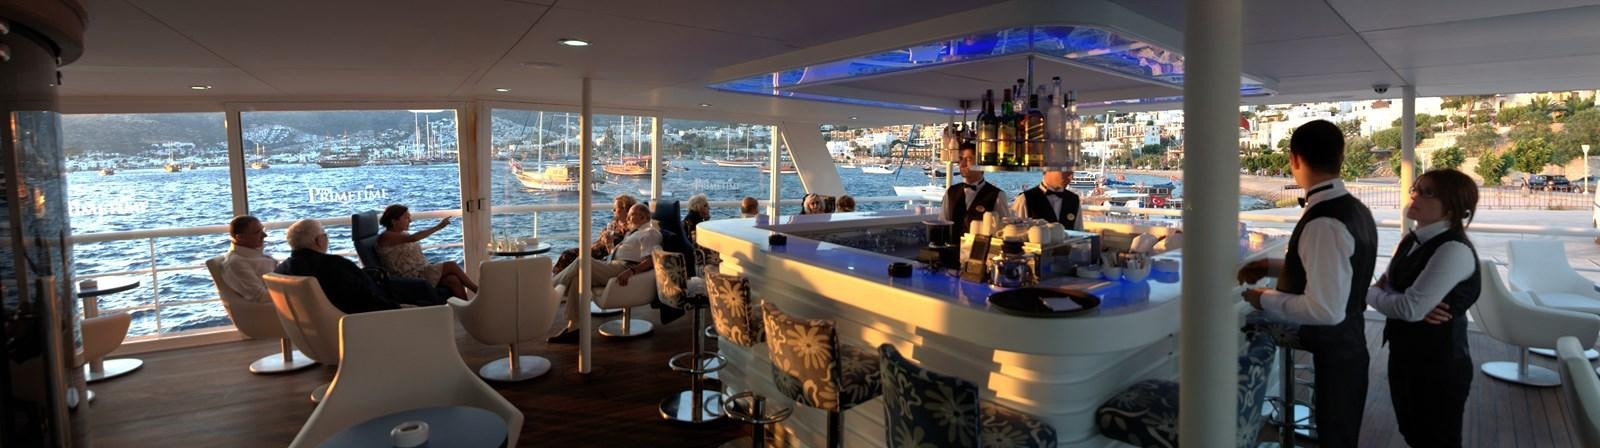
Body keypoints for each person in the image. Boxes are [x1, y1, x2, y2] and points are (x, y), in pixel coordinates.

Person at [1237, 119, 1377, 448]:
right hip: (1350, 338)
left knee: (1336, 435)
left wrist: (1263, 298)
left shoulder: (1324, 221)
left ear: (1295, 159)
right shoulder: (1354, 210)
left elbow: (1325, 309)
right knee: (1338, 430)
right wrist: (1270, 265)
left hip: (1335, 341)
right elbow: (1332, 268)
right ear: (1341, 158)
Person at [1368, 169, 1481, 448]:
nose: (1415, 195)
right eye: (1416, 189)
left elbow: (1408, 309)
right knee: (1412, 432)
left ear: (1453, 207)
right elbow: (1395, 294)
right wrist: (1398, 298)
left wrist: (1375, 293)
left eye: (1428, 192)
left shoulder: (1453, 250)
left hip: (1439, 366)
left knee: (1437, 439)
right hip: (1405, 355)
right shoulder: (1409, 240)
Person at [547, 203, 661, 343]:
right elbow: (618, 255)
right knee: (578, 278)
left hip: (624, 268)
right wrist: (610, 246)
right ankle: (574, 328)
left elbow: (650, 260)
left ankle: (547, 290)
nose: (628, 218)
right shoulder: (635, 233)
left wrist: (631, 272)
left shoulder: (650, 233)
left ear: (643, 216)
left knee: (582, 261)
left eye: (631, 215)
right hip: (614, 265)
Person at [275, 219, 398, 314]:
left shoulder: (281, 271)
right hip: (360, 325)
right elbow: (367, 299)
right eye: (325, 235)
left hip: (316, 332)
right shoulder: (335, 266)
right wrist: (399, 308)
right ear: (319, 241)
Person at [375, 204, 478, 300]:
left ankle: (467, 311)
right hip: (409, 278)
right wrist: (439, 227)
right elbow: (414, 237)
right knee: (451, 265)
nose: (410, 221)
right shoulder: (386, 236)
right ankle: (478, 291)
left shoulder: (403, 234)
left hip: (421, 271)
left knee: (453, 280)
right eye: (406, 218)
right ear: (394, 221)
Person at [940, 142, 1010, 244]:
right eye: (961, 159)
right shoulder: (951, 192)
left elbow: (1004, 232)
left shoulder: (997, 195)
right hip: (952, 253)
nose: (962, 164)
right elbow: (943, 223)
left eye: (968, 159)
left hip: (980, 255)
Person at [554, 194, 640, 273]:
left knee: (568, 256)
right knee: (567, 255)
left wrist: (608, 243)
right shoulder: (615, 223)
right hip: (594, 250)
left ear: (625, 210)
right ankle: (556, 281)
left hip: (602, 257)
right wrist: (603, 235)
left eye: (615, 208)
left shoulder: (630, 231)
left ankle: (556, 283)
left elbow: (617, 257)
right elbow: (603, 236)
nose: (612, 210)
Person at [218, 215, 277, 303]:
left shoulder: (255, 253)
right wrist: (296, 292)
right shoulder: (236, 263)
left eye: (263, 230)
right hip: (273, 310)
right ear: (240, 237)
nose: (265, 235)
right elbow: (261, 296)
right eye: (258, 232)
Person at [1011, 169, 1082, 230]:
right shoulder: (1024, 199)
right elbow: (1014, 235)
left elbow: (1079, 234)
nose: (1071, 177)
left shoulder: (1074, 199)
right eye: (1066, 172)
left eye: (1072, 172)